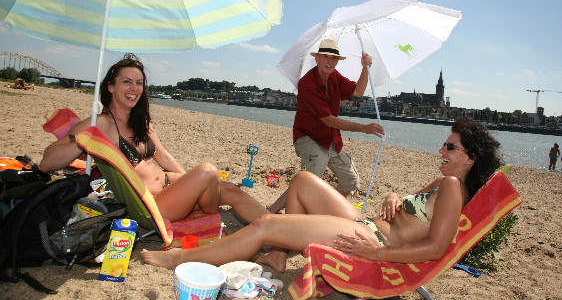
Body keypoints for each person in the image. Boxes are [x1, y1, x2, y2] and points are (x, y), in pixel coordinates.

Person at [141, 116, 499, 271]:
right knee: (301, 181)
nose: (441, 151)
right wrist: (393, 196)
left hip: (370, 238)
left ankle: (178, 260)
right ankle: (280, 255)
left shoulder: (454, 187)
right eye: (444, 144)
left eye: (450, 148)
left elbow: (437, 247)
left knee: (266, 224)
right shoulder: (443, 183)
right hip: (366, 223)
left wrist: (377, 254)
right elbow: (410, 205)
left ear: (470, 157)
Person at [39, 54, 266, 223]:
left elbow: (164, 157)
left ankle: (275, 233)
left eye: (139, 83)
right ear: (110, 86)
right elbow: (47, 162)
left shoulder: (140, 122)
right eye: (127, 81)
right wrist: (82, 138)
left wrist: (191, 185)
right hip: (150, 204)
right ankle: (208, 221)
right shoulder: (100, 123)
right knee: (208, 172)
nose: (134, 88)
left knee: (227, 188)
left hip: (167, 184)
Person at [268, 39, 384, 213]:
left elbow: (358, 92)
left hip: (330, 138)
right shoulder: (307, 83)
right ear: (317, 58)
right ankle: (272, 210)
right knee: (312, 173)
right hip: (307, 136)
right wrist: (363, 128)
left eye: (334, 58)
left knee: (350, 181)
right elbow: (328, 120)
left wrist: (365, 69)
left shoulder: (335, 77)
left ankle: (324, 211)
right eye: (326, 57)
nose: (330, 61)